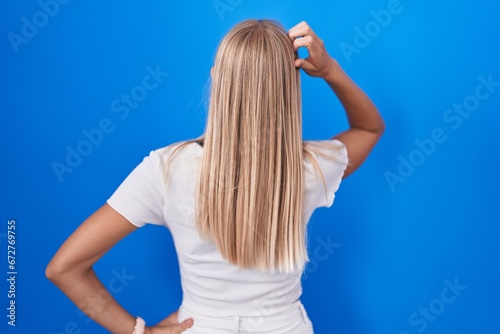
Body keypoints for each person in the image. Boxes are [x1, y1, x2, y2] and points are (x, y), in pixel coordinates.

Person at [46, 19, 384, 334]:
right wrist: (329, 70)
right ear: (289, 89)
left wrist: (137, 331)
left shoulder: (165, 169)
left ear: (216, 78)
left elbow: (64, 268)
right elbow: (369, 127)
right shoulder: (312, 167)